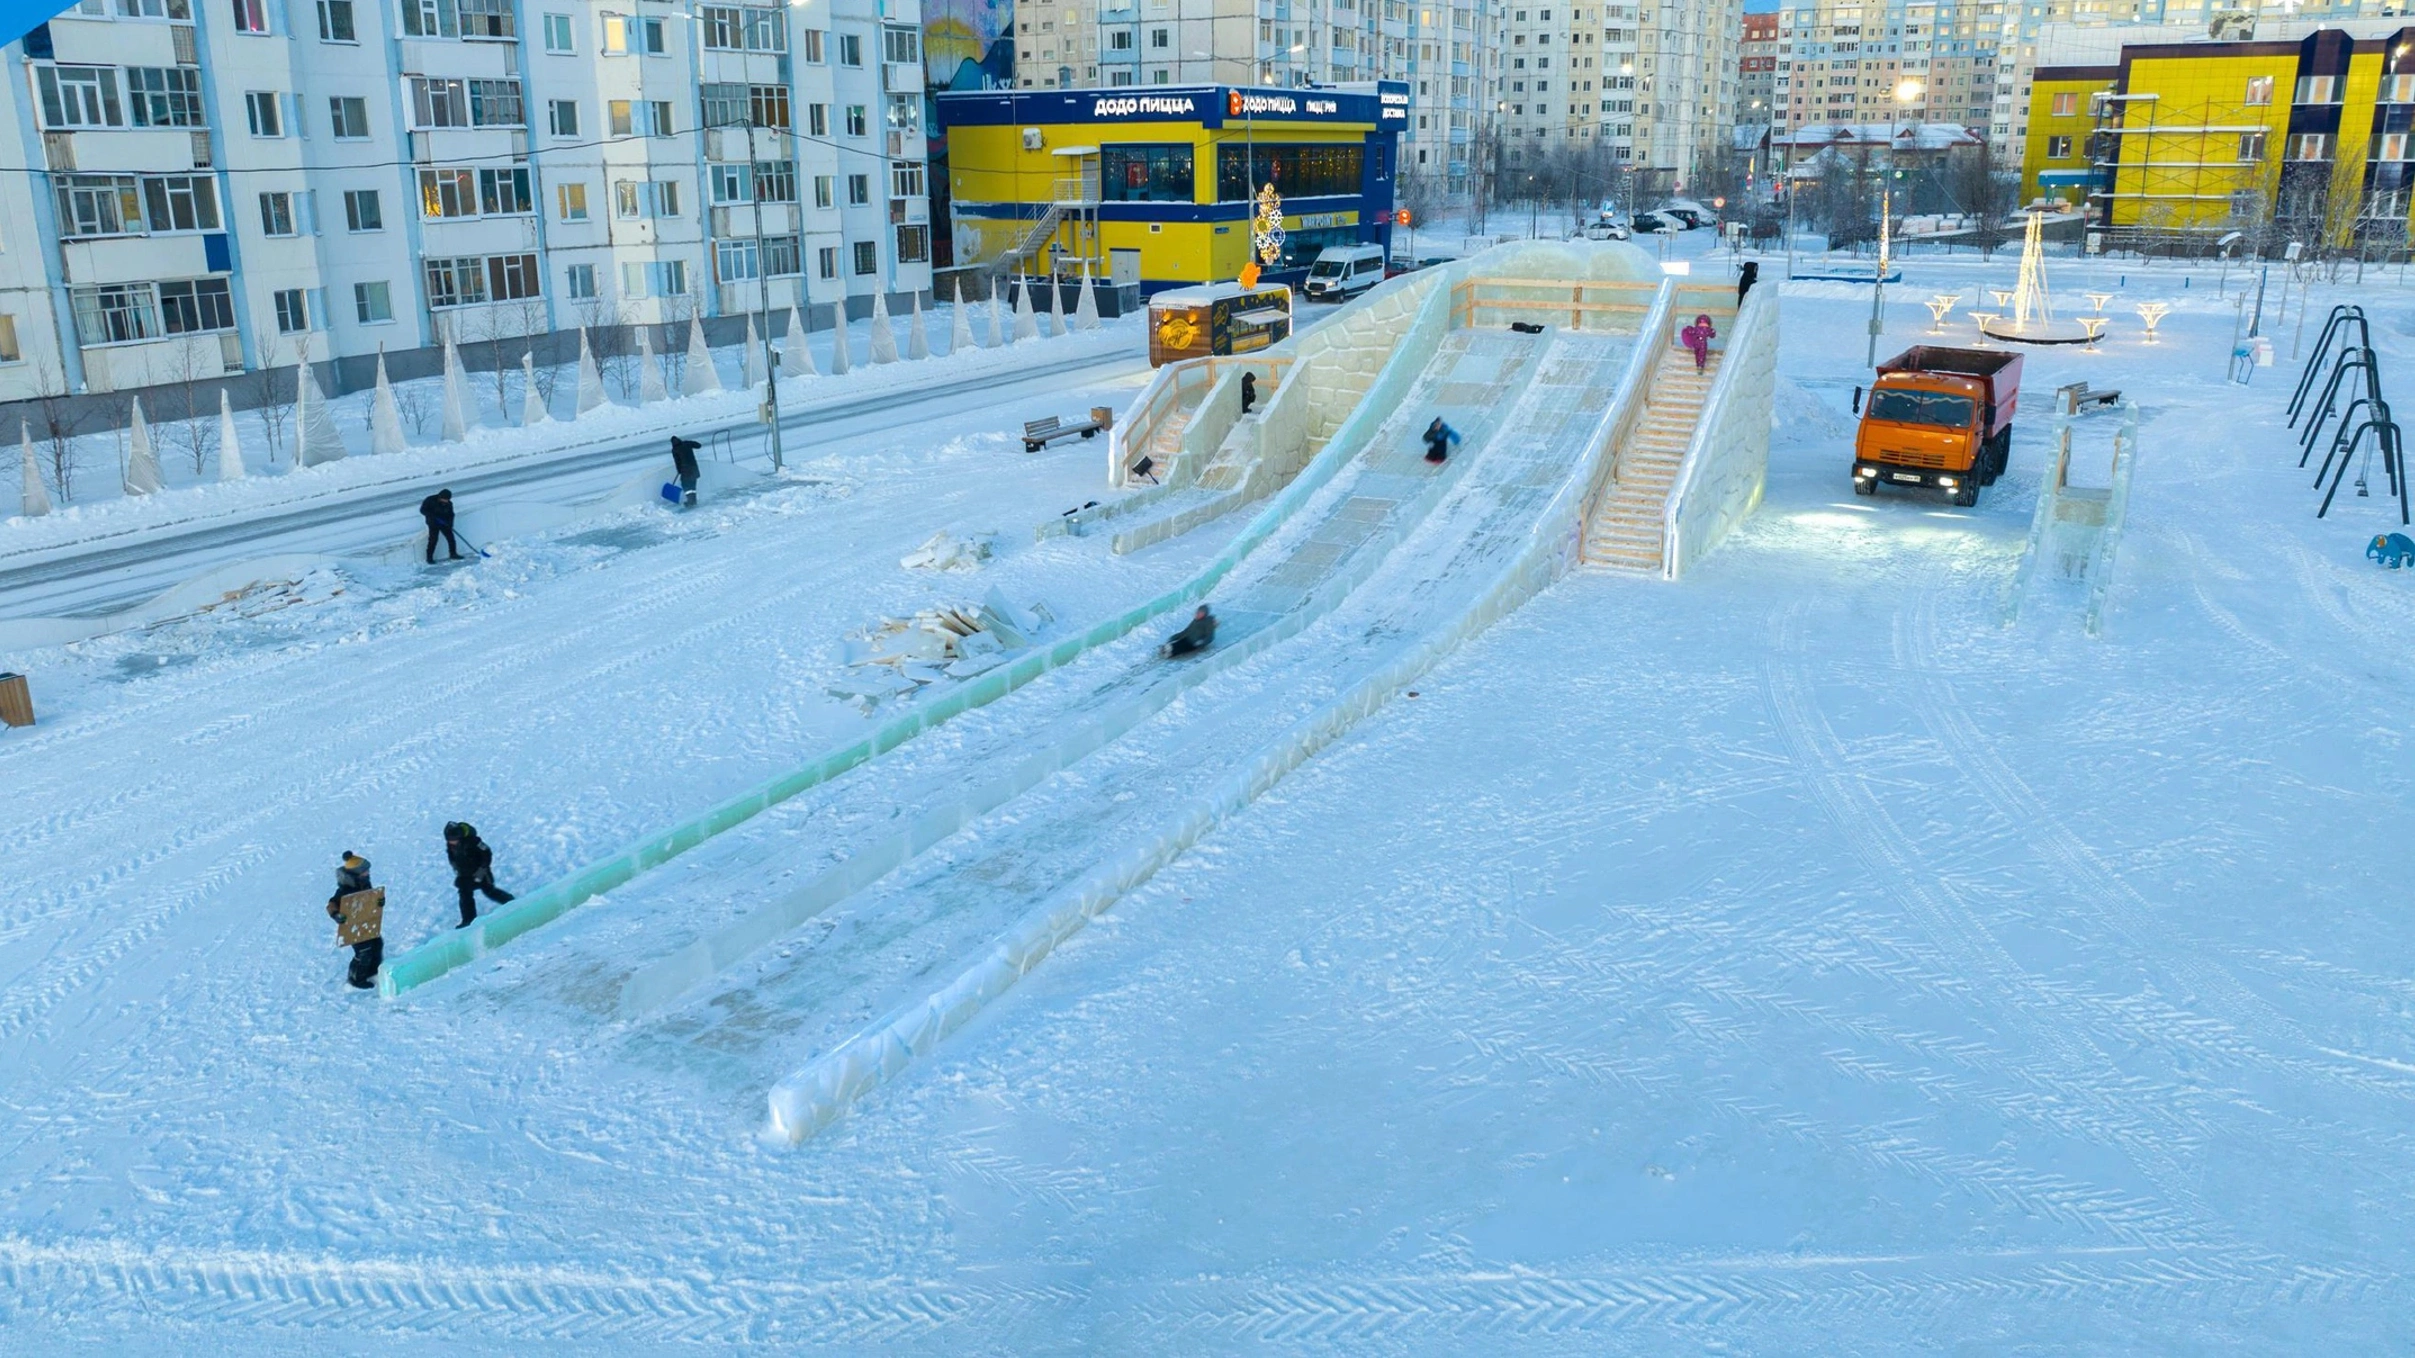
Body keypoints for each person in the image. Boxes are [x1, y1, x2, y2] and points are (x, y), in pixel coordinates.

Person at [326, 851, 382, 990]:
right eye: (364, 872)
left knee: (376, 944)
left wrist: (378, 901)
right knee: (363, 952)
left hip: (366, 923)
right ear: (356, 874)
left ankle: (372, 971)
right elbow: (331, 905)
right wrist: (336, 914)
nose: (368, 873)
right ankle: (356, 978)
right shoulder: (345, 890)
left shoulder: (364, 884)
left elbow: (368, 899)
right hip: (354, 927)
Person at [443, 822, 515, 929]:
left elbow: (486, 853)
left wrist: (482, 869)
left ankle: (510, 902)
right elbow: (453, 857)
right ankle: (468, 920)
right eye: (449, 840)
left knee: (489, 890)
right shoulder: (451, 845)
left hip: (480, 872)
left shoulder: (473, 841)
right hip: (464, 874)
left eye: (453, 839)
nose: (451, 842)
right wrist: (457, 869)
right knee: (464, 895)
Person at [420, 489, 461, 564]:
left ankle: (453, 554)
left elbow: (451, 515)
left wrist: (450, 524)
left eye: (447, 500)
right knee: (433, 540)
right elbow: (422, 510)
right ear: (440, 497)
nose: (446, 501)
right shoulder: (430, 499)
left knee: (451, 538)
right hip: (433, 523)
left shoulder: (449, 503)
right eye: (445, 499)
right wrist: (432, 516)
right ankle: (429, 558)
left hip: (444, 523)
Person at [669, 436, 702, 508]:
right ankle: (693, 500)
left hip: (685, 471)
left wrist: (679, 471)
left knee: (685, 485)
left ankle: (690, 501)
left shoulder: (675, 449)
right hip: (694, 468)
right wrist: (690, 443)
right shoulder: (686, 443)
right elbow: (699, 445)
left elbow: (677, 461)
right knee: (692, 485)